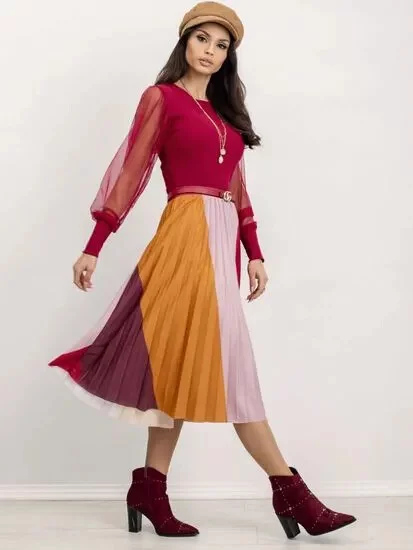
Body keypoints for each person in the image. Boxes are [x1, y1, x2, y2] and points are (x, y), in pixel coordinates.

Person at [48, 1, 356, 541]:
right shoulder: (162, 98)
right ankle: (291, 493)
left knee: (182, 367)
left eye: (221, 44)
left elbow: (238, 190)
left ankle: (150, 487)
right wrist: (94, 245)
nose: (210, 51)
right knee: (225, 369)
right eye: (202, 39)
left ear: (228, 55)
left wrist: (255, 252)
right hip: (184, 237)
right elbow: (130, 173)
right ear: (185, 41)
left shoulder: (228, 117)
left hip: (222, 244)